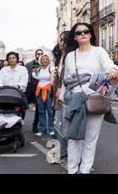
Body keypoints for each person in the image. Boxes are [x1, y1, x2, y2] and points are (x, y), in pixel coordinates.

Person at [61, 22, 118, 174]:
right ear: (74, 37)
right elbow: (66, 80)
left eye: (85, 31)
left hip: (95, 98)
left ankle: (85, 169)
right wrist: (62, 99)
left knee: (90, 138)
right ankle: (72, 170)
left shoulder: (99, 51)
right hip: (75, 99)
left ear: (90, 34)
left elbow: (110, 65)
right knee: (74, 137)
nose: (82, 34)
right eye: (78, 33)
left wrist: (114, 70)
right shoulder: (70, 56)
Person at [52, 31, 70, 160]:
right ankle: (62, 150)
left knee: (62, 123)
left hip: (65, 94)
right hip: (58, 94)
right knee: (58, 123)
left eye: (63, 40)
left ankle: (64, 151)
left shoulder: (70, 56)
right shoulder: (62, 56)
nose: (60, 42)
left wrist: (59, 87)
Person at [32, 54, 55, 136]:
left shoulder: (51, 68)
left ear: (49, 60)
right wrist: (35, 68)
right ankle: (42, 129)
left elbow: (52, 78)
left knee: (50, 111)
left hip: (48, 90)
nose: (45, 60)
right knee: (41, 111)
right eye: (43, 59)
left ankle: (51, 128)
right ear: (40, 61)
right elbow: (34, 76)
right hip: (39, 91)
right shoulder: (38, 69)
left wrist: (53, 87)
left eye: (46, 59)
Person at [26, 49, 44, 133]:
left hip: (40, 87)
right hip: (30, 87)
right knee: (23, 104)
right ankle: (18, 120)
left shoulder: (45, 64)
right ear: (35, 55)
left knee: (39, 108)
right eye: (38, 54)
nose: (39, 55)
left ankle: (35, 125)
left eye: (41, 54)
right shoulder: (29, 64)